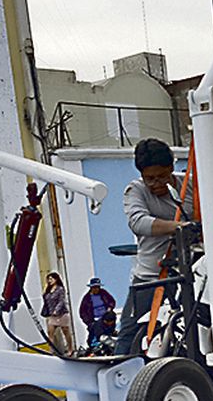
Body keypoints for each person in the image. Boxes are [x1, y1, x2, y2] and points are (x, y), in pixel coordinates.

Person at [114, 138, 194, 355]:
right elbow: (138, 222)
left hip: (192, 276)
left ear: (172, 167)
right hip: (151, 278)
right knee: (129, 338)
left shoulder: (190, 187)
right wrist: (180, 227)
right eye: (149, 178)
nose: (156, 184)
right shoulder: (136, 190)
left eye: (162, 177)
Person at [41, 272, 74, 355]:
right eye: (48, 279)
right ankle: (51, 350)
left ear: (56, 279)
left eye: (51, 279)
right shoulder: (48, 290)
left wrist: (57, 310)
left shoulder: (60, 289)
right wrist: (45, 290)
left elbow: (61, 301)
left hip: (61, 313)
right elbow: (45, 300)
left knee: (65, 331)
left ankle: (70, 348)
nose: (49, 281)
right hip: (52, 314)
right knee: (50, 332)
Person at [79, 278, 117, 347]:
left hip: (106, 317)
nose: (96, 289)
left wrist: (110, 308)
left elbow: (112, 301)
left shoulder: (104, 293)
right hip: (95, 320)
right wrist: (88, 322)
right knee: (95, 332)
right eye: (94, 287)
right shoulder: (87, 298)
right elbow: (82, 312)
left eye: (97, 287)